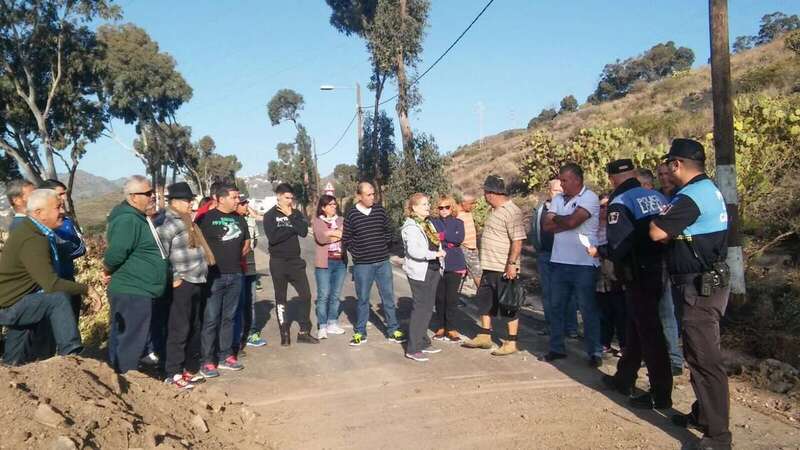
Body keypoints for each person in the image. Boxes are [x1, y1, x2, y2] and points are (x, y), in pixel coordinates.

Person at [650, 139, 732, 450]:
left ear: (677, 164)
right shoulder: (708, 189)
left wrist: (661, 221)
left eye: (669, 164)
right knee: (698, 354)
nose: (667, 171)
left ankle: (718, 437)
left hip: (697, 288)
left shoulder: (690, 196)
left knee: (705, 360)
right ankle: (702, 415)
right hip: (704, 283)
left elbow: (657, 231)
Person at [589, 159, 673, 410]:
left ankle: (661, 393)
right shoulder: (656, 196)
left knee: (650, 334)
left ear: (612, 179)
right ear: (635, 174)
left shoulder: (620, 203)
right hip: (662, 269)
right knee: (636, 327)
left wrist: (599, 250)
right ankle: (624, 378)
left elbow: (618, 247)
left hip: (638, 273)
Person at [0, 189, 86, 365]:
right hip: (10, 305)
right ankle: (71, 355)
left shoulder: (38, 232)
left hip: (21, 300)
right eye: (58, 207)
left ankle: (10, 371)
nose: (62, 211)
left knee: (13, 361)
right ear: (39, 213)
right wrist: (87, 289)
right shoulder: (32, 238)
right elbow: (51, 284)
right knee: (57, 299)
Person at [103, 176, 168, 374]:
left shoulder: (137, 217)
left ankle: (119, 378)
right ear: (132, 197)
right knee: (131, 340)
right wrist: (107, 269)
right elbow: (116, 253)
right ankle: (126, 381)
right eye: (147, 194)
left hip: (138, 289)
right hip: (133, 290)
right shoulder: (128, 219)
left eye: (152, 193)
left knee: (125, 337)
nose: (152, 197)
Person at [542, 163, 603, 366]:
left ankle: (594, 351)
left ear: (577, 180)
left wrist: (560, 220)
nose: (562, 184)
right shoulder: (558, 198)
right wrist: (565, 221)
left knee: (587, 309)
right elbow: (547, 226)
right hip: (559, 261)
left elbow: (570, 223)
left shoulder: (590, 198)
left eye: (565, 180)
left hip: (584, 263)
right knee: (557, 306)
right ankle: (556, 348)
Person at [157, 182, 215, 389]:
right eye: (186, 200)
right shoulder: (167, 223)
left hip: (197, 280)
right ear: (174, 202)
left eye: (191, 200)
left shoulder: (188, 220)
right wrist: (174, 277)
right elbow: (161, 254)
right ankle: (172, 372)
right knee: (179, 329)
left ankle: (189, 370)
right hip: (182, 283)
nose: (190, 203)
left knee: (194, 327)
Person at [462, 175, 526, 356]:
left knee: (509, 304)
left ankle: (511, 341)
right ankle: (485, 335)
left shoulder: (512, 211)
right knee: (484, 302)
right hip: (488, 266)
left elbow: (518, 241)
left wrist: (512, 264)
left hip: (503, 267)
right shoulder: (494, 210)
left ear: (491, 194)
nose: (484, 196)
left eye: (485, 192)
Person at [197, 183, 252, 376]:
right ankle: (207, 361)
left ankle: (225, 356)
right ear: (220, 199)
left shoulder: (239, 219)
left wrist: (238, 255)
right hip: (214, 276)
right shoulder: (205, 219)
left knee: (229, 317)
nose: (238, 201)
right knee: (211, 318)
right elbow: (198, 245)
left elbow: (246, 242)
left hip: (236, 274)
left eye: (238, 198)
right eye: (234, 197)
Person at [342, 182, 405, 346]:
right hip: (363, 265)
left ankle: (393, 330)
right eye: (368, 195)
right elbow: (347, 239)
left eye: (373, 194)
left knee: (388, 297)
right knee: (363, 299)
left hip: (383, 262)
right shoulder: (351, 215)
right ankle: (360, 332)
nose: (372, 198)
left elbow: (388, 230)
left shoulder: (379, 211)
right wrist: (358, 254)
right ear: (359, 196)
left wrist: (385, 247)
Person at [263, 183, 319, 346]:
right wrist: (291, 228)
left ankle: (304, 331)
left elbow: (302, 231)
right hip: (278, 262)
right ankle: (284, 333)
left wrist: (291, 217)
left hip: (295, 261)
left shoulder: (295, 213)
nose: (289, 201)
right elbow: (273, 238)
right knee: (281, 298)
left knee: (306, 295)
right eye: (286, 198)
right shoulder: (270, 215)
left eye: (291, 198)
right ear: (278, 197)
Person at [529, 178, 579, 337]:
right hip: (545, 255)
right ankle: (552, 325)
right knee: (548, 292)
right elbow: (534, 229)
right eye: (555, 190)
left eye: (561, 190)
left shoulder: (570, 207)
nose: (559, 192)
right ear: (548, 191)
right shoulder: (540, 209)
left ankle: (571, 328)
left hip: (565, 256)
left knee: (568, 293)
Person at [401, 193, 446, 362]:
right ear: (413, 208)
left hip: (433, 268)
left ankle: (423, 341)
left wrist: (438, 256)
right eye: (423, 205)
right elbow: (415, 251)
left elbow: (435, 241)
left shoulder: (427, 224)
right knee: (420, 309)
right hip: (421, 271)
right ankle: (413, 348)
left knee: (427, 308)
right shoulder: (410, 227)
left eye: (428, 204)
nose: (428, 207)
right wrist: (435, 254)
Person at [39, 179, 86, 321]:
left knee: (72, 327)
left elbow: (81, 248)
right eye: (60, 194)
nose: (64, 198)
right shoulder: (40, 224)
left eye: (65, 194)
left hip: (69, 281)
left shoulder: (66, 221)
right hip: (51, 287)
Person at [656, 162, 685, 375]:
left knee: (674, 312)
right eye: (660, 174)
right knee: (664, 311)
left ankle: (675, 358)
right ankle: (668, 356)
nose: (664, 178)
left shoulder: (682, 197)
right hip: (659, 261)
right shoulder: (656, 197)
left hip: (680, 260)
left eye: (667, 173)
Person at [594, 195, 626, 357]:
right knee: (603, 311)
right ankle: (603, 342)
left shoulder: (615, 227)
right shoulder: (592, 227)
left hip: (615, 272)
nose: (605, 209)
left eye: (608, 206)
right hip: (598, 273)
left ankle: (624, 345)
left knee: (620, 311)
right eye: (601, 206)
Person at [311, 194, 348, 339]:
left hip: (340, 262)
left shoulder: (341, 220)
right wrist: (336, 233)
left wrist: (331, 233)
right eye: (331, 205)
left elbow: (346, 235)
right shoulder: (317, 221)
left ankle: (332, 322)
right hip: (324, 263)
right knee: (324, 295)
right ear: (323, 207)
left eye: (335, 204)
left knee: (335, 295)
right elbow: (321, 238)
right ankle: (322, 325)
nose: (334, 207)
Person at [431, 195, 465, 342]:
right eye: (440, 207)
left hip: (455, 262)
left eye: (447, 207)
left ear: (452, 208)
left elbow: (459, 238)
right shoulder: (432, 222)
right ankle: (440, 326)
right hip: (437, 262)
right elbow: (432, 237)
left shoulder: (459, 222)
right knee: (439, 297)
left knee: (451, 298)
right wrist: (447, 239)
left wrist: (443, 236)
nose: (444, 210)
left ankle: (451, 328)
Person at [234, 196, 266, 349]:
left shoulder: (250, 220)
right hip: (235, 266)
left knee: (251, 301)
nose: (245, 205)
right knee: (237, 303)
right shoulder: (231, 220)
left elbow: (255, 241)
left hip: (250, 266)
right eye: (242, 203)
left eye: (246, 202)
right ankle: (238, 334)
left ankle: (252, 333)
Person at [458, 194, 482, 288]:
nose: (474, 206)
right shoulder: (457, 215)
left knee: (476, 273)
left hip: (472, 248)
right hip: (465, 248)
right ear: (463, 203)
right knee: (477, 273)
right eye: (471, 203)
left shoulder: (468, 212)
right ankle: (483, 297)